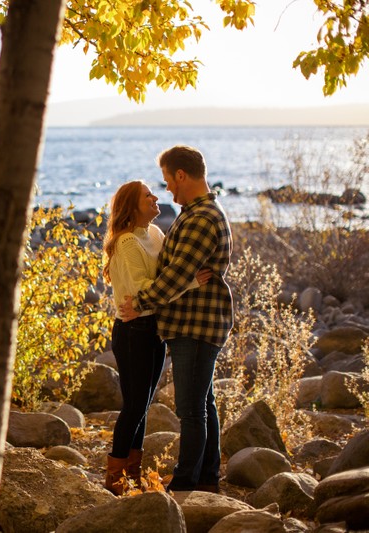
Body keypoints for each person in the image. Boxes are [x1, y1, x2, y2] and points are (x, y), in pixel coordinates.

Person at [120, 145, 233, 494]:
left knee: (190, 410)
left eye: (168, 180)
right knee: (203, 404)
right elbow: (175, 271)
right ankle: (207, 477)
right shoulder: (196, 212)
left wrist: (139, 302)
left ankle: (185, 484)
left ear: (182, 175)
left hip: (195, 325)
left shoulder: (201, 218)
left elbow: (176, 274)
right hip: (191, 323)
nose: (167, 188)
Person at [102, 180, 210, 495]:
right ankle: (114, 478)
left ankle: (132, 475)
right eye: (147, 195)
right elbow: (139, 290)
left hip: (153, 328)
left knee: (143, 405)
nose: (155, 197)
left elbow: (165, 275)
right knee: (134, 405)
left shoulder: (154, 234)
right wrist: (190, 283)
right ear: (132, 207)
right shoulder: (126, 243)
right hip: (132, 331)